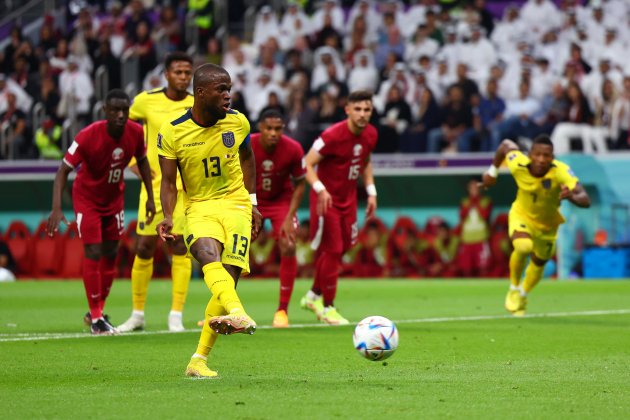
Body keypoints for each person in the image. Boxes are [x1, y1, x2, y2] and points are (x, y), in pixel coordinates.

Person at [156, 63, 262, 378]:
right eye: (221, 90)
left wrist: (254, 203)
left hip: (236, 205)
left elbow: (248, 159)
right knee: (205, 255)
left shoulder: (238, 122)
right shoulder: (173, 130)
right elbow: (167, 181)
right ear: (201, 92)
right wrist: (167, 215)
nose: (228, 96)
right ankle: (239, 313)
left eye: (229, 89)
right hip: (199, 206)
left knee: (227, 279)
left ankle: (198, 361)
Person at [47, 89, 155, 335]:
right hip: (87, 200)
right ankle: (96, 319)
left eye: (124, 110)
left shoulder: (136, 132)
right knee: (94, 250)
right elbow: (62, 171)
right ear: (104, 111)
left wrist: (150, 196)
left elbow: (143, 162)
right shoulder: (87, 136)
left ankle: (97, 311)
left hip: (114, 199)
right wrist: (56, 208)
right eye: (115, 110)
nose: (120, 115)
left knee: (111, 252)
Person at [117, 52, 195, 333]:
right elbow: (119, 127)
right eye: (178, 72)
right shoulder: (146, 100)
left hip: (184, 190)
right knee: (144, 246)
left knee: (179, 247)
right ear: (166, 74)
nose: (183, 77)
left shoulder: (197, 103)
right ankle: (137, 314)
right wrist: (129, 162)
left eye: (188, 72)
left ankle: (176, 315)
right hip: (153, 189)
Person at [480, 135, 590, 316]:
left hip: (547, 225)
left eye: (546, 155)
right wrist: (492, 172)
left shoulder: (561, 171)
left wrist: (571, 196)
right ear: (530, 154)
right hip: (521, 215)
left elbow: (585, 199)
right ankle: (514, 288)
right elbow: (506, 145)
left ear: (552, 157)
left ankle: (523, 295)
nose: (541, 159)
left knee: (539, 263)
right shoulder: (517, 162)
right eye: (537, 154)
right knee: (523, 246)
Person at [300, 90, 378, 325]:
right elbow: (307, 163)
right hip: (327, 200)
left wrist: (371, 191)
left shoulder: (371, 134)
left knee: (344, 247)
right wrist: (320, 189)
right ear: (347, 110)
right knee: (333, 250)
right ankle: (328, 307)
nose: (362, 114)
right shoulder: (332, 135)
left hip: (349, 199)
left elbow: (365, 161)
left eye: (367, 110)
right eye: (358, 109)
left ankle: (313, 295)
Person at [251, 109, 306, 328]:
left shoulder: (293, 148)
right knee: (234, 248)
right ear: (260, 128)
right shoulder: (246, 144)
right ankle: (220, 309)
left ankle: (282, 310)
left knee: (289, 244)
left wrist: (289, 216)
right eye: (269, 128)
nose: (273, 133)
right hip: (251, 201)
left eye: (278, 129)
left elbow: (300, 182)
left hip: (281, 202)